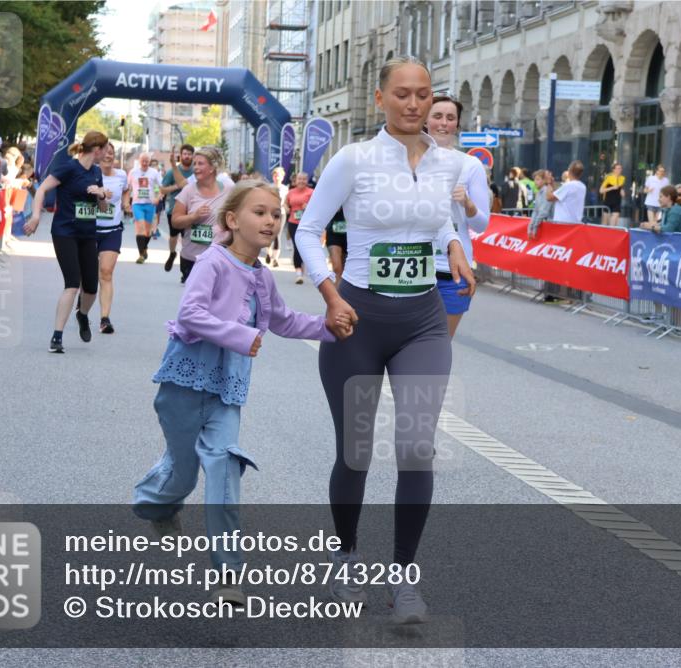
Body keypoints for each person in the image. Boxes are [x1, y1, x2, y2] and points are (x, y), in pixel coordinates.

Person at [295, 56, 476, 624]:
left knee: (418, 448)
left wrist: (452, 249)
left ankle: (403, 581)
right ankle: (348, 558)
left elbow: (437, 218)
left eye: (423, 94)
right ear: (380, 99)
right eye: (402, 94)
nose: (414, 104)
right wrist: (330, 293)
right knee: (355, 449)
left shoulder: (449, 164)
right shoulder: (354, 159)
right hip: (357, 319)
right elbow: (306, 229)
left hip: (422, 319)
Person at [132, 179, 347, 605]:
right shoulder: (213, 261)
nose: (271, 221)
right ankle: (154, 504)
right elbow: (190, 314)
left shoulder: (263, 276)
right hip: (184, 382)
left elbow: (283, 321)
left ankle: (228, 572)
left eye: (276, 214)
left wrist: (332, 329)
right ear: (232, 220)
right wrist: (236, 335)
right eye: (260, 212)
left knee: (225, 465)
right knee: (183, 471)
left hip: (227, 390)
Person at [24, 131, 110, 353]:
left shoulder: (97, 172)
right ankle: (57, 336)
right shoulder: (69, 167)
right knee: (72, 284)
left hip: (88, 233)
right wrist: (35, 216)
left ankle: (82, 315)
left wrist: (101, 195)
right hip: (65, 232)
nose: (106, 154)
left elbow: (103, 209)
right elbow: (42, 188)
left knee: (90, 287)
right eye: (105, 150)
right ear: (97, 149)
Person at [425, 93, 491, 336]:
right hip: (416, 267)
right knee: (411, 347)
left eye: (450, 118)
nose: (443, 123)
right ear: (425, 120)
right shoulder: (409, 160)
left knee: (440, 347)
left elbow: (482, 224)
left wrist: (467, 202)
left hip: (454, 273)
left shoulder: (470, 165)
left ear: (457, 124)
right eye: (438, 116)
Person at [169, 147, 229, 284]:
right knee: (195, 303)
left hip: (219, 257)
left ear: (212, 168)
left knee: (216, 301)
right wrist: (193, 217)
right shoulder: (188, 190)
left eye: (200, 164)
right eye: (194, 164)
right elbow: (175, 221)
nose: (195, 167)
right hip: (192, 258)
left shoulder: (229, 190)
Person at [95, 143, 130, 333]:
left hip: (112, 229)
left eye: (112, 153)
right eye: (105, 152)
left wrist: (125, 203)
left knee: (106, 272)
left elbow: (126, 189)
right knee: (88, 275)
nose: (108, 156)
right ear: (98, 153)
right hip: (90, 229)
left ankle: (105, 318)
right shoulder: (90, 173)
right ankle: (83, 301)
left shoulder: (121, 175)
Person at [160, 144, 195, 273]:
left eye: (189, 154)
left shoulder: (196, 171)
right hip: (174, 209)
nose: (187, 156)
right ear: (181, 155)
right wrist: (176, 187)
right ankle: (172, 253)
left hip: (191, 210)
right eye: (184, 154)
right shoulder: (172, 172)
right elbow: (162, 189)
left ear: (193, 156)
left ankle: (184, 270)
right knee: (174, 236)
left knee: (187, 240)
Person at [128, 152, 163, 263]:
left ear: (149, 162)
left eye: (147, 161)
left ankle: (144, 249)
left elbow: (162, 187)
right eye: (143, 161)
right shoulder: (133, 172)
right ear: (139, 160)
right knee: (141, 227)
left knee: (147, 232)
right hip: (137, 203)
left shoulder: (154, 173)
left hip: (150, 204)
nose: (144, 163)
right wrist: (127, 203)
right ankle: (141, 255)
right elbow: (127, 188)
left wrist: (158, 198)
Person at [284, 171, 313, 284]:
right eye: (299, 179)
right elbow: (285, 203)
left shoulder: (311, 192)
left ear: (307, 181)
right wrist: (286, 208)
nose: (301, 181)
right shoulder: (291, 192)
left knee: (304, 247)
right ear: (295, 180)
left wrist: (309, 206)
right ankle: (298, 273)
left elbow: (318, 207)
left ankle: (302, 265)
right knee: (297, 246)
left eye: (304, 179)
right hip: (293, 222)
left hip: (307, 224)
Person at [264, 165, 288, 267]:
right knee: (269, 233)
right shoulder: (269, 187)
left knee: (277, 234)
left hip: (281, 213)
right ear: (273, 177)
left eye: (279, 175)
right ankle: (268, 253)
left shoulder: (285, 189)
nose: (277, 177)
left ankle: (275, 258)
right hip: (270, 213)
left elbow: (287, 202)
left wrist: (287, 206)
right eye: (275, 175)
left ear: (282, 177)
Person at [528, 170, 555, 239]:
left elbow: (544, 212)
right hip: (543, 225)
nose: (535, 182)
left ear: (544, 180)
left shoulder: (547, 191)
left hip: (550, 226)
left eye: (538, 179)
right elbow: (536, 211)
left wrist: (534, 227)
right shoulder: (538, 193)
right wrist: (531, 226)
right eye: (534, 179)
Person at [598, 162, 625, 226]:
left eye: (620, 168)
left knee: (614, 222)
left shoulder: (622, 178)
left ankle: (612, 233)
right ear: (614, 170)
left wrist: (622, 191)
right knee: (604, 223)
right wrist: (612, 188)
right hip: (608, 201)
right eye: (618, 168)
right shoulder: (609, 178)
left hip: (617, 202)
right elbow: (601, 190)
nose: (620, 170)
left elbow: (620, 188)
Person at [324, 207, 348, 280]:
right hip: (333, 233)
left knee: (345, 271)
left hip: (350, 236)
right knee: (337, 268)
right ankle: (335, 291)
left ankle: (341, 290)